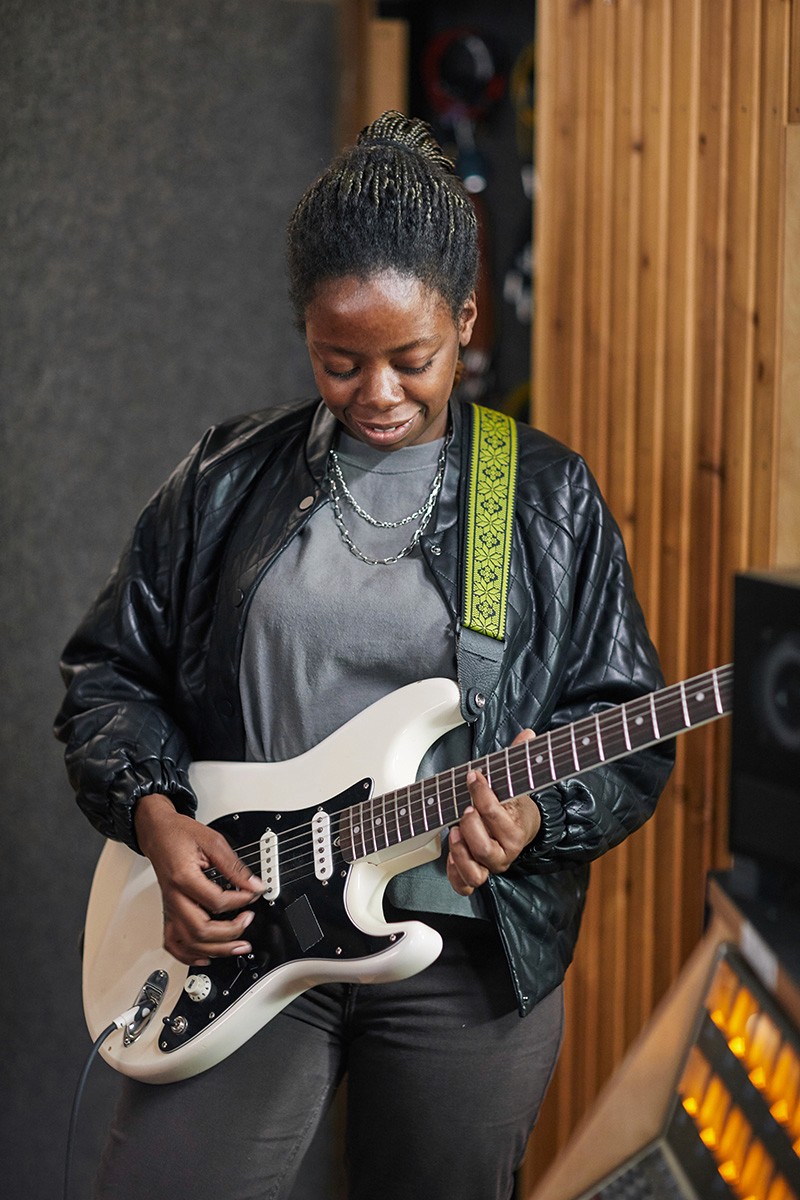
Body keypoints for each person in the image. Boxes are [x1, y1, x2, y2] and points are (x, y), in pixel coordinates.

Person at [55, 111, 674, 1200]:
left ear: (466, 322)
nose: (378, 395)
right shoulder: (222, 477)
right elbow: (109, 674)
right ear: (304, 331)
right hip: (245, 928)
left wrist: (537, 815)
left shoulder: (543, 498)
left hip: (469, 950)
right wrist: (157, 819)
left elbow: (625, 733)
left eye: (412, 359)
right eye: (339, 361)